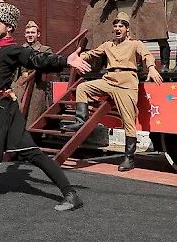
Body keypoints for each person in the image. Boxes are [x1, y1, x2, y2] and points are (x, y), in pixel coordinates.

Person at [0, 0, 92, 212]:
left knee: (30, 152)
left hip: (4, 110)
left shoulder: (12, 49)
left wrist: (65, 60)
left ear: (10, 28)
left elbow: (37, 59)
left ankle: (70, 194)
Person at [69, 12, 163, 171]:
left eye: (121, 26)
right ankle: (80, 120)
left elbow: (147, 55)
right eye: (116, 26)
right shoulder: (108, 45)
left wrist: (152, 68)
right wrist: (79, 57)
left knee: (128, 121)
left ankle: (129, 158)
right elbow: (93, 53)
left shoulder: (135, 44)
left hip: (126, 82)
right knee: (83, 87)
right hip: (109, 79)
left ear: (127, 29)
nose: (118, 29)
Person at [11, 21, 53, 126]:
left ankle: (31, 137)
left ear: (38, 34)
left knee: (33, 115)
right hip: (21, 84)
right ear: (25, 35)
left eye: (33, 33)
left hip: (36, 85)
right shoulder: (20, 49)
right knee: (16, 110)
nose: (30, 35)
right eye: (28, 33)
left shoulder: (44, 49)